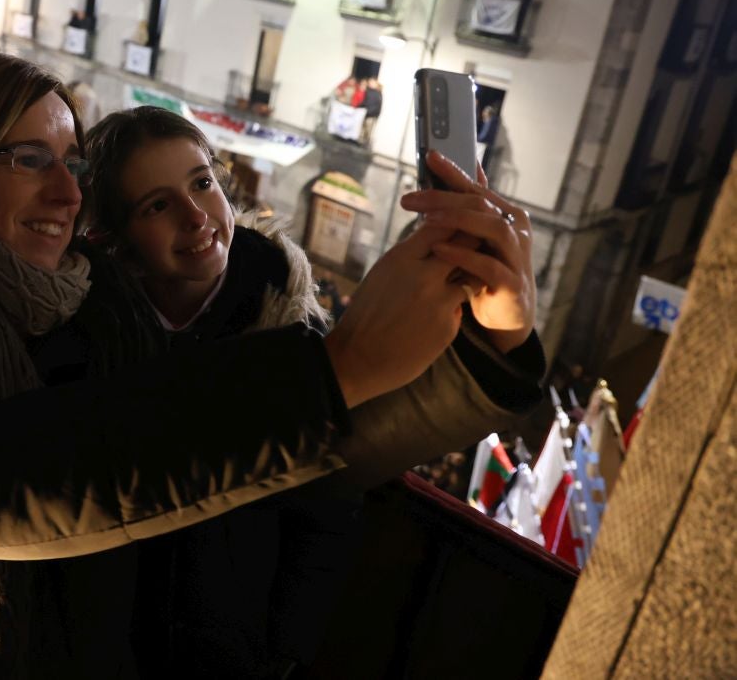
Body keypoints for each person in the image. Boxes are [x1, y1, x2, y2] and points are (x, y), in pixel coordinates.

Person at [0, 52, 514, 678]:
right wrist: (334, 370)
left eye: (73, 164)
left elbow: (269, 452)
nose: (66, 192)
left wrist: (489, 343)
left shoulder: (99, 313)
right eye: (30, 160)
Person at [82, 105, 544, 673]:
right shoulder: (94, 346)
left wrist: (502, 337)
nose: (197, 215)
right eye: (157, 205)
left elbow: (326, 508)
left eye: (202, 183)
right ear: (118, 240)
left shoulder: (289, 333)